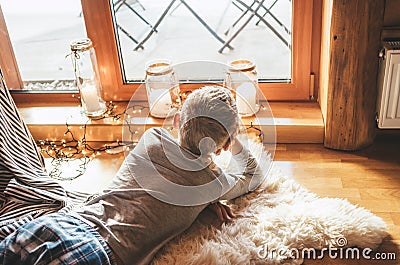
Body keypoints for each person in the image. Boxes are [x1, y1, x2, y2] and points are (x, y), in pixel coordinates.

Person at [0, 85, 263, 265]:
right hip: (97, 251)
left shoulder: (151, 140)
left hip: (63, 223)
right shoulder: (212, 183)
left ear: (177, 120)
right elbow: (253, 173)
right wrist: (232, 139)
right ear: (224, 146)